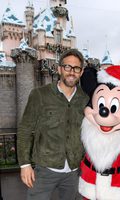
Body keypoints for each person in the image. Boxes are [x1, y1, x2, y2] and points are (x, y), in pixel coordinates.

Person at [17, 49, 89, 200]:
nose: (72, 72)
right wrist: (25, 165)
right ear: (59, 68)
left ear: (81, 72)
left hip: (74, 173)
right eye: (67, 67)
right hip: (44, 171)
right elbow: (25, 130)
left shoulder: (85, 99)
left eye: (76, 68)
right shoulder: (40, 95)